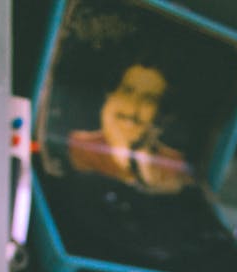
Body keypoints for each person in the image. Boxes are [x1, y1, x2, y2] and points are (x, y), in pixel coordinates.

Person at [68, 63, 192, 193]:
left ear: (161, 113)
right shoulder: (79, 146)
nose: (133, 108)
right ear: (111, 95)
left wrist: (145, 167)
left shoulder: (174, 166)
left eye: (149, 99)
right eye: (127, 91)